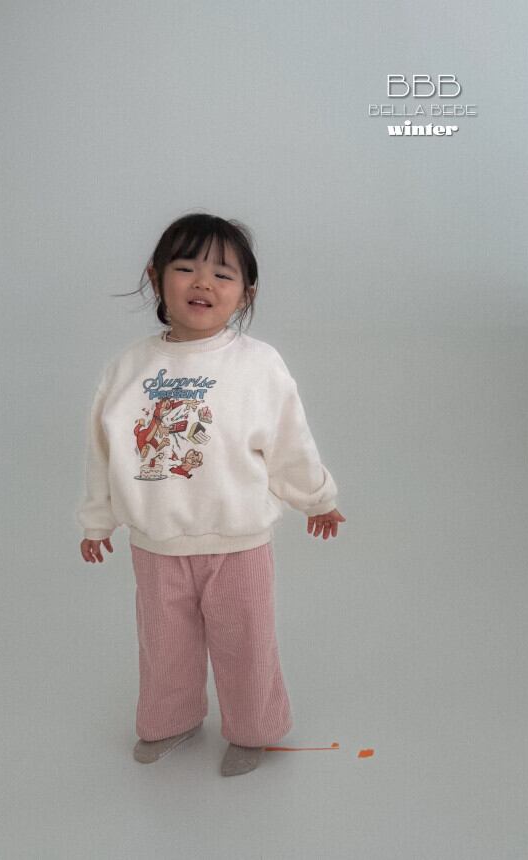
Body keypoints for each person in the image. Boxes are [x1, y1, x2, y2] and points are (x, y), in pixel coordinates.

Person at [76, 212, 346, 777]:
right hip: (157, 543)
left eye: (223, 274)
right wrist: (97, 519)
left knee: (246, 643)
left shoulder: (258, 364)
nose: (203, 283)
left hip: (238, 542)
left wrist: (317, 497)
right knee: (163, 644)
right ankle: (170, 719)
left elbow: (289, 441)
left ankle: (254, 728)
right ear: (155, 277)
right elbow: (102, 450)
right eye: (185, 268)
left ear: (246, 293)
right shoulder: (128, 367)